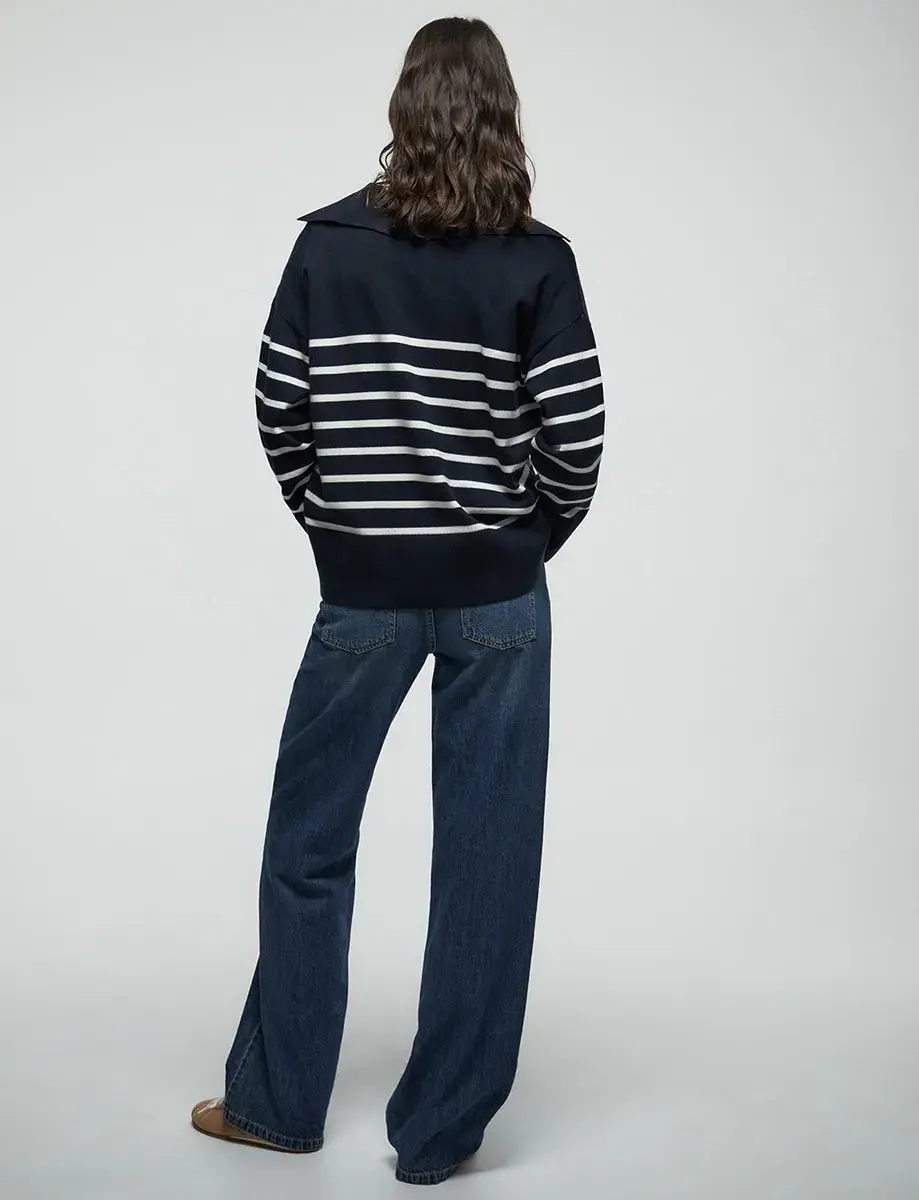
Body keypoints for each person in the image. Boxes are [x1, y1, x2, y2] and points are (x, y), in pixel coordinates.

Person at [190, 15, 605, 1187]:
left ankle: (276, 1106)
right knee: (488, 859)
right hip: (499, 598)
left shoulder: (329, 249)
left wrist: (341, 528)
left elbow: (279, 408)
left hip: (363, 591)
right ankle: (439, 1138)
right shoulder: (536, 260)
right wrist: (518, 541)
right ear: (502, 114)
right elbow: (576, 438)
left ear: (401, 110)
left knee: (307, 847)